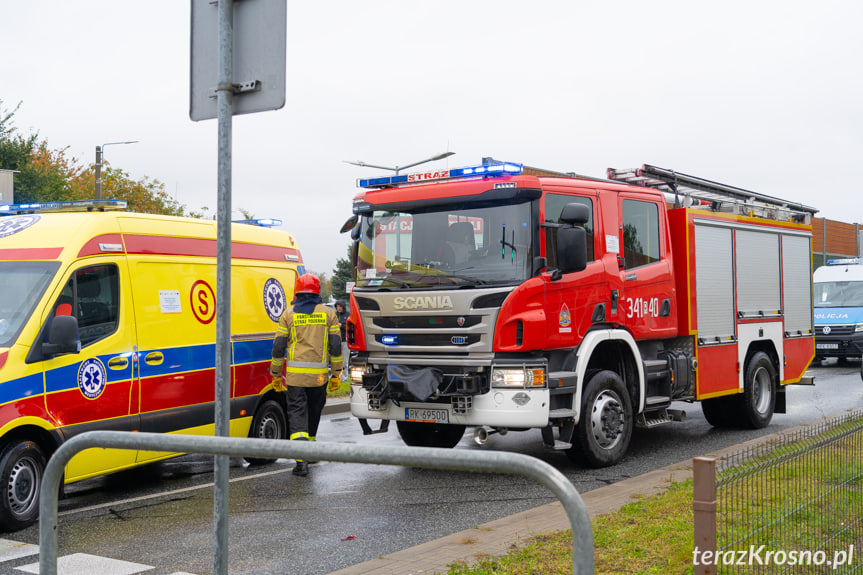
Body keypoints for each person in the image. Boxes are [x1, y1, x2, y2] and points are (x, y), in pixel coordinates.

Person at [270, 273, 342, 476]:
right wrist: (336, 374)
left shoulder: (288, 314)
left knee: (297, 415)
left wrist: (275, 374)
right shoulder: (329, 314)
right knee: (314, 412)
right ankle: (309, 453)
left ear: (297, 292)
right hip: (319, 378)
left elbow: (278, 347)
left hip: (295, 378)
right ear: (317, 291)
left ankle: (301, 460)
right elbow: (336, 347)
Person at [334, 300, 350, 382]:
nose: (338, 308)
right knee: (336, 360)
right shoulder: (335, 315)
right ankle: (336, 377)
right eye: (337, 306)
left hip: (345, 341)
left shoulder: (348, 315)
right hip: (336, 341)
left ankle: (344, 378)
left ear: (343, 307)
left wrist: (342, 325)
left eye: (340, 306)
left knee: (344, 361)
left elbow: (351, 326)